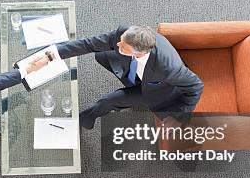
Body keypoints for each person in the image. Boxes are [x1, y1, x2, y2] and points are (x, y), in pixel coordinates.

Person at [56, 25, 204, 130]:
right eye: (120, 40)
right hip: (141, 73)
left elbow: (196, 86)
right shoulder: (124, 34)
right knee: (101, 54)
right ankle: (130, 82)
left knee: (108, 101)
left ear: (138, 53)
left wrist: (180, 115)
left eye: (123, 47)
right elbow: (88, 44)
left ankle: (83, 121)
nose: (118, 44)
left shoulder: (168, 68)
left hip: (156, 90)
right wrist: (52, 55)